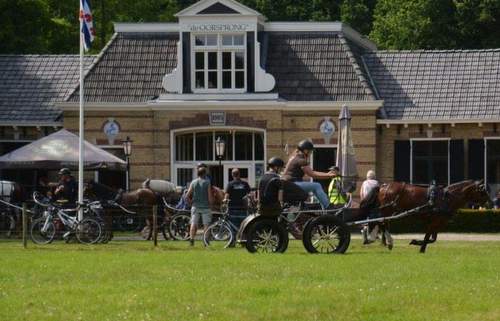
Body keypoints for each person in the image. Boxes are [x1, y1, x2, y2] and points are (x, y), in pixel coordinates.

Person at [283, 140, 336, 209]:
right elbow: (312, 174)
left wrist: (327, 174)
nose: (311, 153)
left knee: (314, 187)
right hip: (292, 184)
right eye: (310, 151)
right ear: (305, 151)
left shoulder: (295, 157)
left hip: (288, 184)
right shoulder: (301, 160)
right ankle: (328, 207)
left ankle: (325, 209)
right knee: (317, 185)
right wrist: (328, 176)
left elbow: (312, 172)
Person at [186, 166, 214, 246]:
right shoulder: (207, 182)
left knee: (193, 223)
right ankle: (205, 241)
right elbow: (209, 196)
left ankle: (191, 240)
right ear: (205, 173)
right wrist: (211, 204)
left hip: (195, 206)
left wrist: (190, 203)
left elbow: (187, 196)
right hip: (206, 207)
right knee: (206, 225)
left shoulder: (193, 182)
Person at [360, 170, 381, 244]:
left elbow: (361, 194)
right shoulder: (376, 183)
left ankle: (365, 233)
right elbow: (379, 194)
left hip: (366, 204)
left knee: (366, 219)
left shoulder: (364, 183)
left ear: (367, 176)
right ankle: (374, 235)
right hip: (374, 204)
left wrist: (363, 203)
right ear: (374, 176)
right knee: (376, 219)